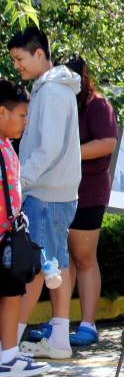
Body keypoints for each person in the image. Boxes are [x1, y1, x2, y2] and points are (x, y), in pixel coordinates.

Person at [7, 26, 81, 360]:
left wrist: (19, 183)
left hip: (45, 190)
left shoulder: (51, 92)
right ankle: (58, 337)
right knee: (54, 263)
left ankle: (12, 342)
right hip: (56, 190)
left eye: (19, 58)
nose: (17, 66)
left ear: (39, 54)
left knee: (36, 267)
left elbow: (48, 147)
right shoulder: (52, 88)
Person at [63, 55, 118, 348]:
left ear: (82, 77)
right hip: (61, 192)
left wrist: (68, 152)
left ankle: (88, 323)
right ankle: (59, 323)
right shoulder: (58, 103)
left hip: (89, 192)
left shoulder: (98, 104)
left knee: (83, 258)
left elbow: (107, 142)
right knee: (64, 259)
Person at [0, 80, 50, 377]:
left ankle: (8, 355)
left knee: (11, 292)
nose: (25, 122)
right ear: (1, 113)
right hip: (4, 238)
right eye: (20, 115)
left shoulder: (6, 144)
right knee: (9, 293)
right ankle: (7, 357)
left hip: (8, 235)